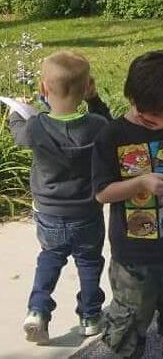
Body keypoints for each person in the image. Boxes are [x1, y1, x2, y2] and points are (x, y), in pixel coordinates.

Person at [93, 50, 163, 359]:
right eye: (146, 119)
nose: (155, 126)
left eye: (162, 120)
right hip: (133, 255)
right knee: (130, 319)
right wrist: (141, 183)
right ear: (132, 98)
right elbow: (102, 193)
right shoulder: (112, 135)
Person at [9, 51, 111, 344]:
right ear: (87, 86)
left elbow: (18, 132)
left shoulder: (36, 127)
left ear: (43, 89)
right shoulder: (95, 126)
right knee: (89, 263)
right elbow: (109, 124)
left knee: (50, 259)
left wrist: (17, 112)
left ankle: (38, 311)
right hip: (87, 213)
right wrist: (93, 99)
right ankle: (91, 317)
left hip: (49, 214)